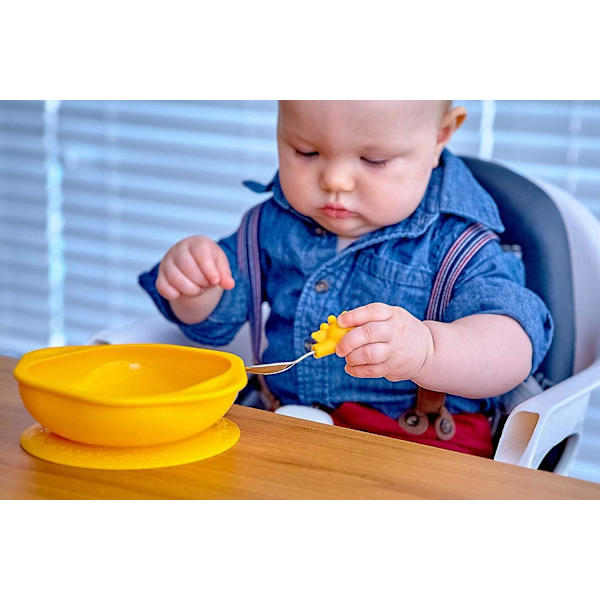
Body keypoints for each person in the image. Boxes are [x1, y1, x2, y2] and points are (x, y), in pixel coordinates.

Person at [139, 101, 553, 458]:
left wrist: (428, 349)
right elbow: (212, 327)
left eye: (374, 160)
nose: (334, 180)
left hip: (417, 448)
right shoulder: (271, 225)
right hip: (287, 430)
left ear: (440, 135)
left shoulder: (460, 244)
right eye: (306, 151)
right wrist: (196, 287)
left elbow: (514, 347)